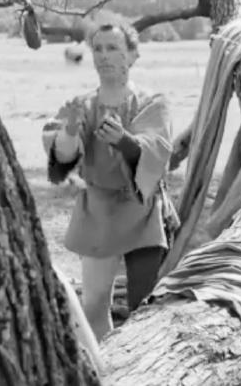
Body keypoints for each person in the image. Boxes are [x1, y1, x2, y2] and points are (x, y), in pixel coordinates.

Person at [42, 21, 179, 341]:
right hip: (97, 212)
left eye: (113, 48)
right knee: (93, 306)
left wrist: (124, 141)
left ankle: (144, 362)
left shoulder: (152, 102)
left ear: (132, 55)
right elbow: (63, 157)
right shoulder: (82, 105)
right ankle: (103, 364)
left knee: (144, 306)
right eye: (98, 49)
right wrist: (70, 131)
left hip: (142, 211)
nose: (104, 56)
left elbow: (157, 151)